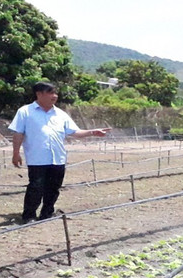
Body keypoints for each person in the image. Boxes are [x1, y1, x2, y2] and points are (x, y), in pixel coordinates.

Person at [10, 82, 111, 222]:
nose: (54, 96)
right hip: (37, 158)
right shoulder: (25, 112)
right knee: (35, 187)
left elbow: (75, 132)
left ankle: (47, 213)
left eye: (55, 93)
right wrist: (16, 153)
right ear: (39, 94)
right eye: (50, 92)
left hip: (57, 158)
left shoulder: (60, 114)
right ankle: (29, 215)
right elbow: (18, 133)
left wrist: (93, 132)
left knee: (53, 189)